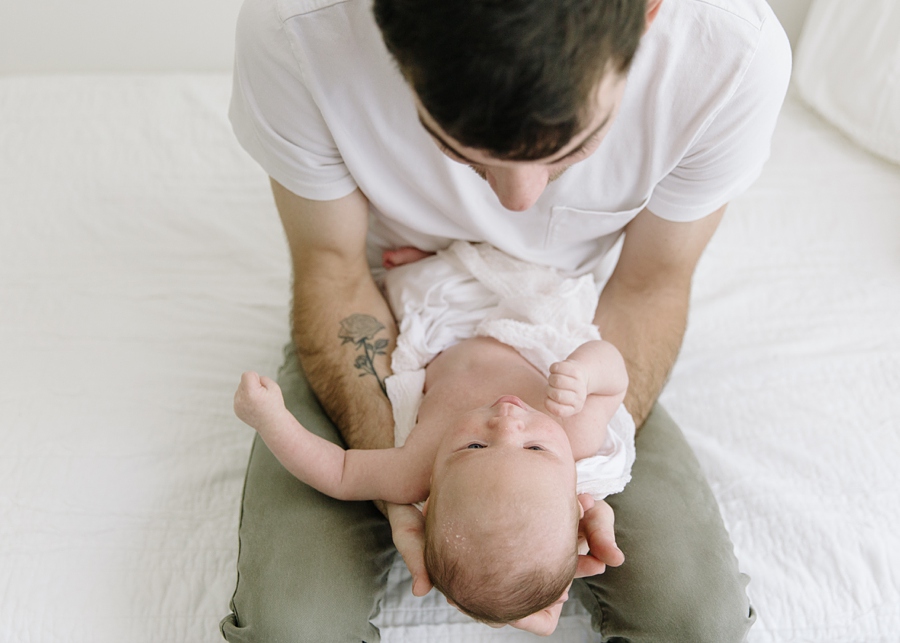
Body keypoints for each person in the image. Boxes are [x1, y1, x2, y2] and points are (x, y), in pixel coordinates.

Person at [219, 0, 792, 641]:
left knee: (697, 625)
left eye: (573, 146)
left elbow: (649, 286)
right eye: (459, 150)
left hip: (577, 320)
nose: (518, 201)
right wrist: (416, 480)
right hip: (392, 317)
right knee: (291, 631)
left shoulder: (731, 55)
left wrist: (556, 491)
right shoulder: (296, 29)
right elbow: (334, 269)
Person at [233, 241, 632, 633]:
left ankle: (440, 262)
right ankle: (451, 259)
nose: (507, 423)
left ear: (429, 498)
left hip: (445, 328)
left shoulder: (416, 466)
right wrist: (585, 372)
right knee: (538, 279)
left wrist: (270, 420)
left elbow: (338, 472)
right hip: (531, 322)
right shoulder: (577, 433)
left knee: (407, 293)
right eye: (535, 448)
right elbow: (616, 380)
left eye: (475, 447)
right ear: (577, 497)